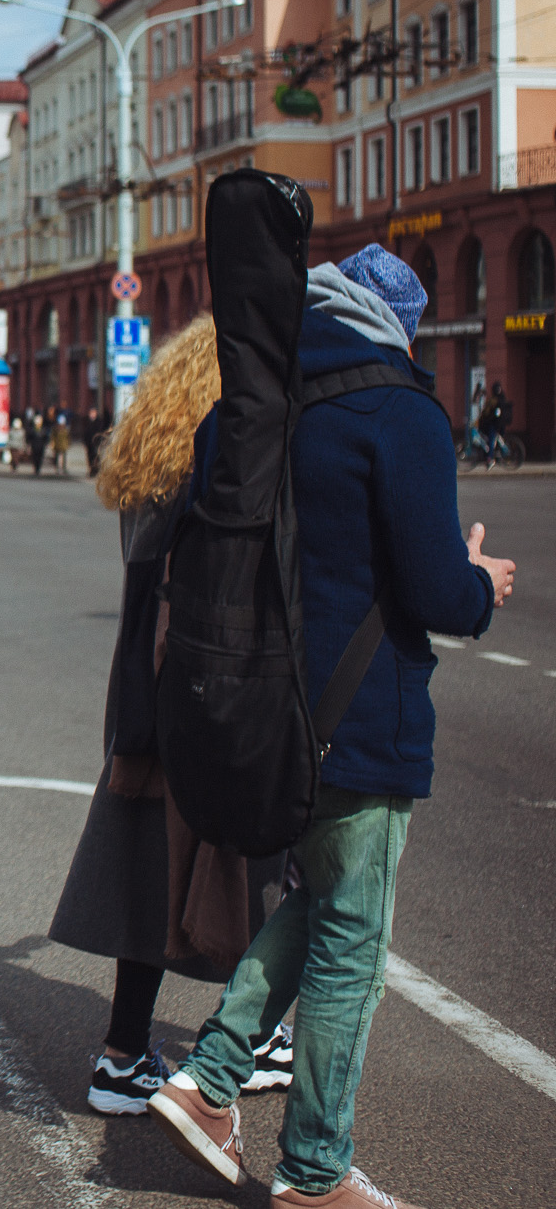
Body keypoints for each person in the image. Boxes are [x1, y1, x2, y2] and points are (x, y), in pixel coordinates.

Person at [148, 246, 513, 1207]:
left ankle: (209, 1083)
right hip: (361, 719)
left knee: (318, 905)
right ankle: (313, 1175)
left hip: (257, 712)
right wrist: (483, 582)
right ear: (397, 325)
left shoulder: (245, 409)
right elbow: (439, 589)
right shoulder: (399, 413)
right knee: (353, 940)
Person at [50, 315, 291, 1118]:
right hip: (201, 689)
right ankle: (245, 1040)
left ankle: (124, 1056)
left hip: (145, 696)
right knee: (250, 858)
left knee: (147, 871)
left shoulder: (153, 462)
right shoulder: (219, 465)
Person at [52, 406, 72, 473]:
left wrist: (69, 443)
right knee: (57, 457)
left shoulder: (65, 430)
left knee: (64, 457)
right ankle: (57, 468)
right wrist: (52, 443)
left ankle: (64, 468)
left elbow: (68, 437)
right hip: (57, 445)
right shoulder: (56, 429)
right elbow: (53, 437)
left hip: (64, 445)